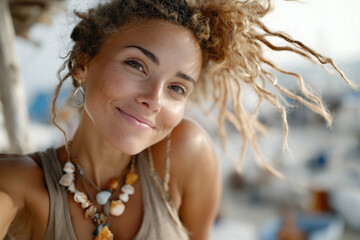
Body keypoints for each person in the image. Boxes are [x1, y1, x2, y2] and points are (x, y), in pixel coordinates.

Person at [0, 0, 355, 239]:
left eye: (176, 88)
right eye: (136, 64)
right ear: (83, 63)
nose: (154, 99)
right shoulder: (17, 184)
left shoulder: (184, 154)